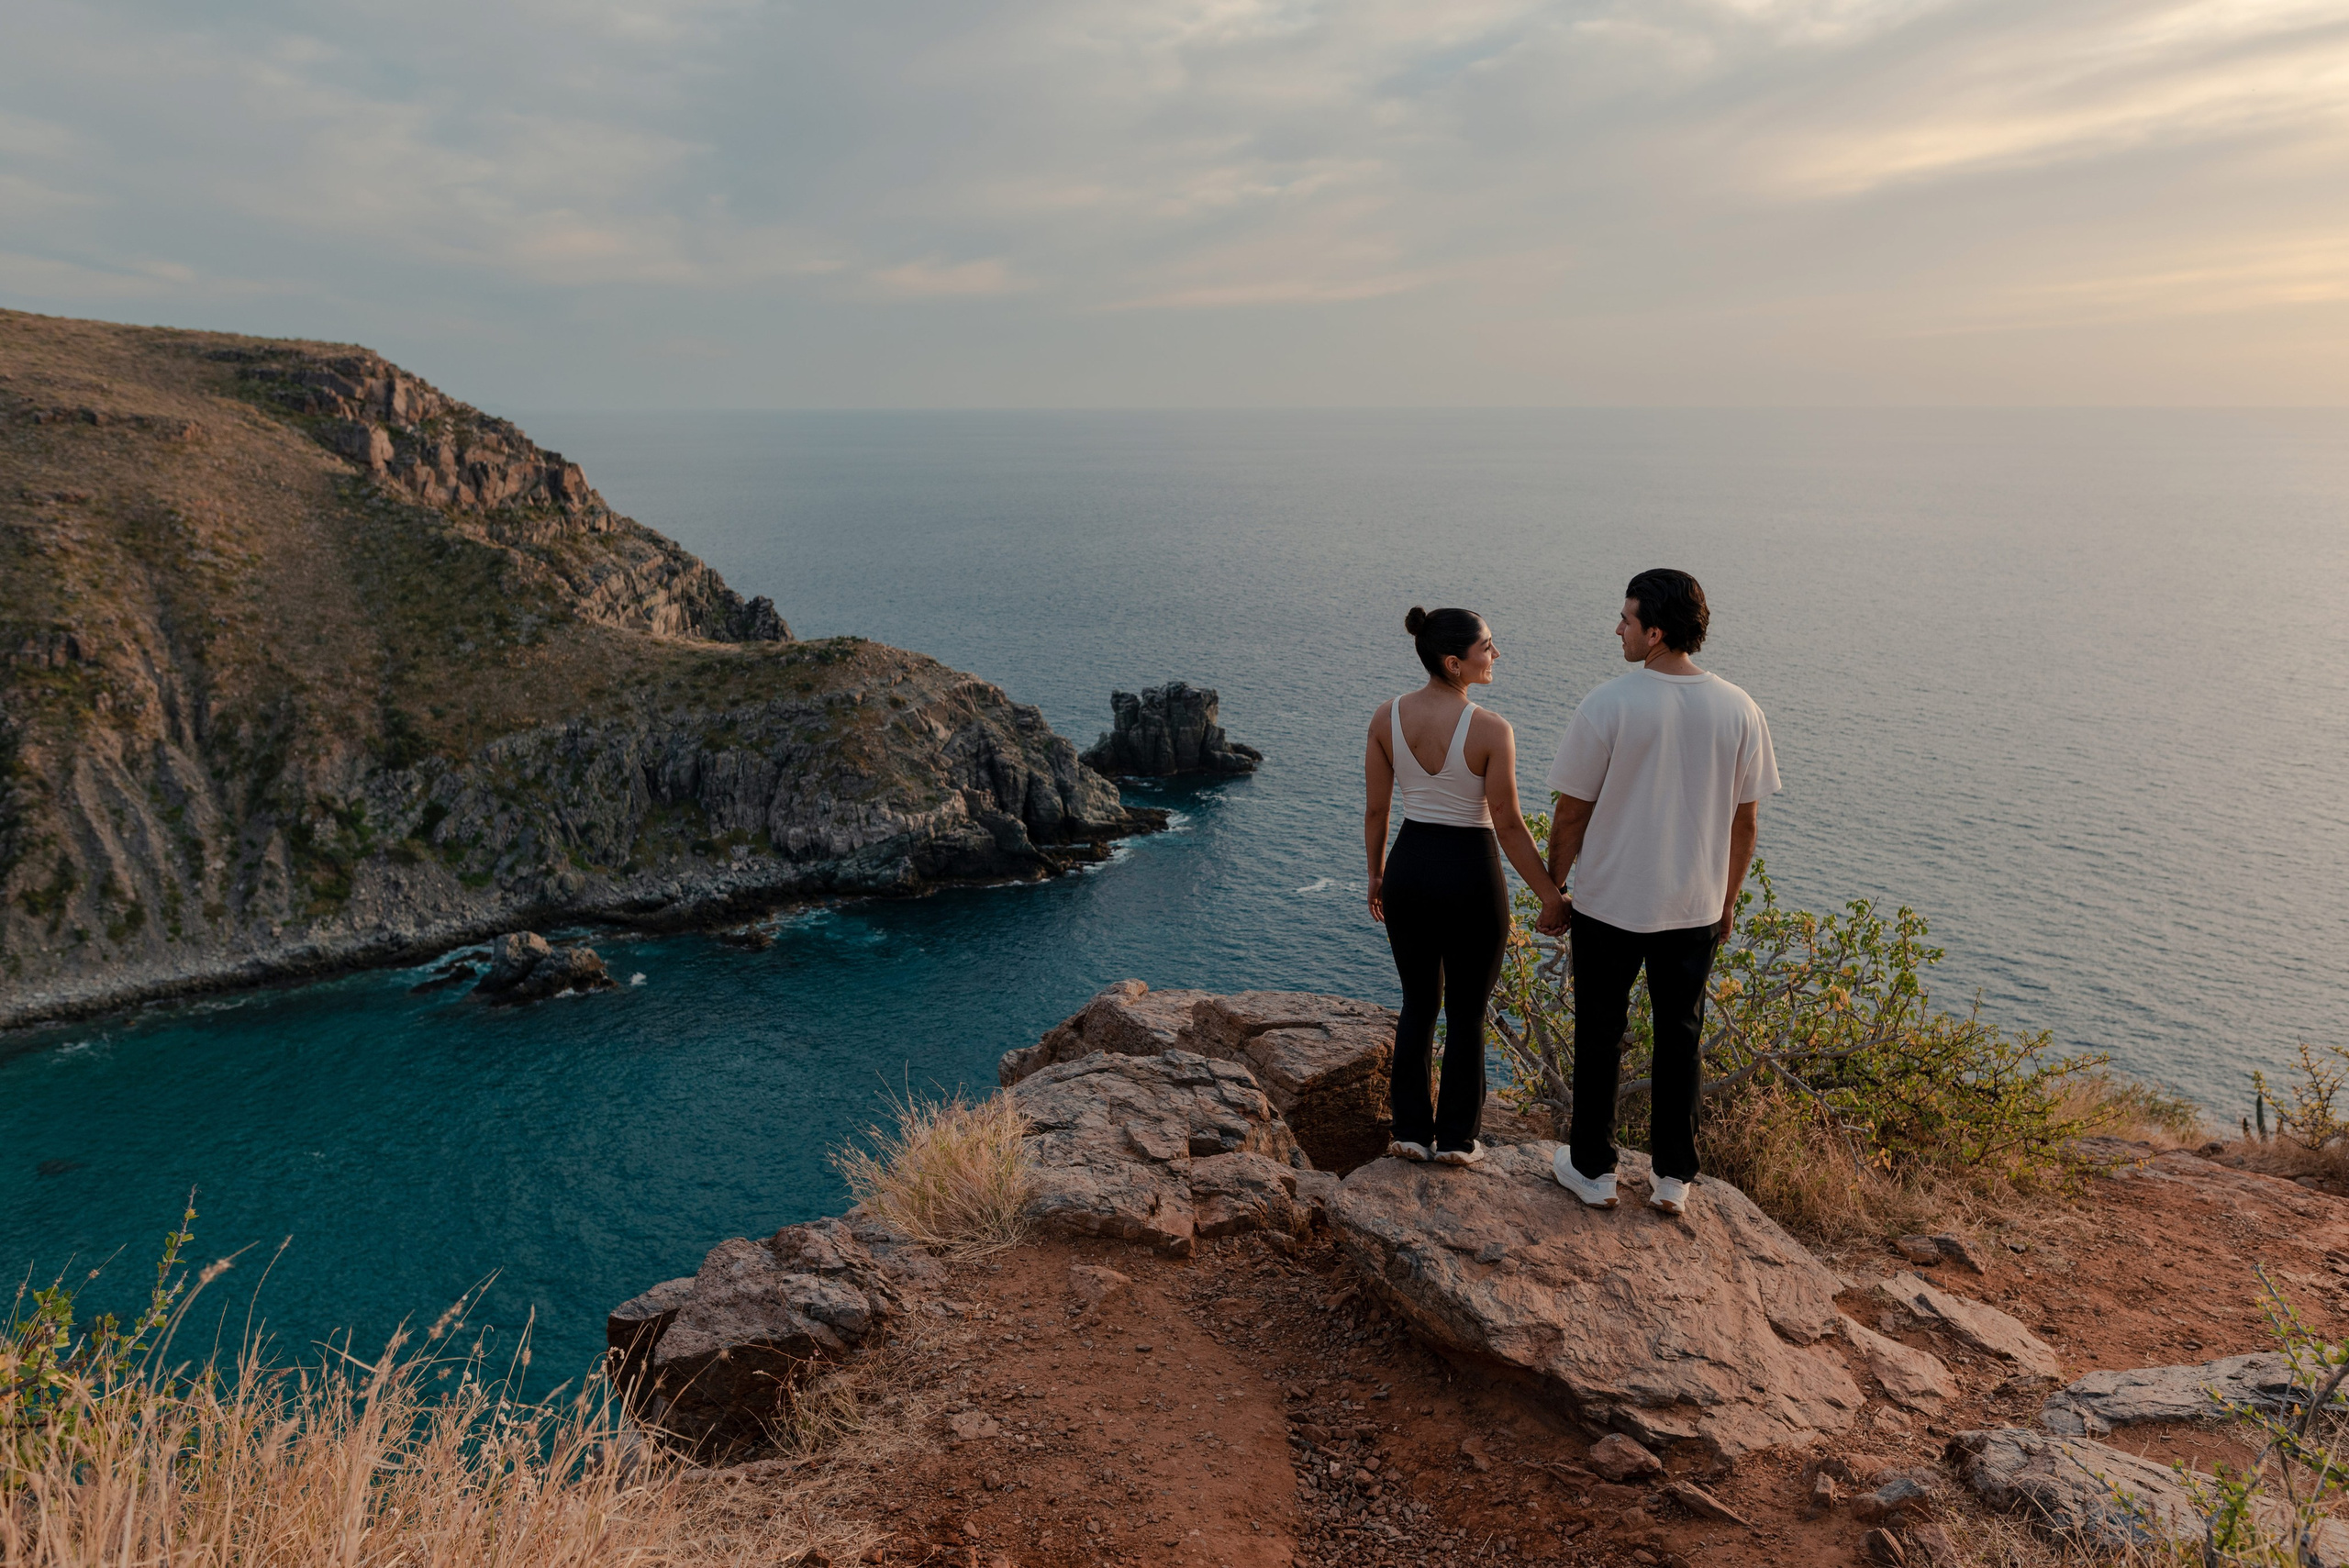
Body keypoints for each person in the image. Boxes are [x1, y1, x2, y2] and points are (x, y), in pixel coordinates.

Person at [1537, 569, 1778, 1218]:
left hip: (1610, 903)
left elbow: (1569, 813)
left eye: (1626, 618)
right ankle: (1674, 1176)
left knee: (1599, 1033)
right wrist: (1727, 901)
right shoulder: (1740, 707)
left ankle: (1593, 1169)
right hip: (1694, 907)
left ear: (1656, 630)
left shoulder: (1608, 703)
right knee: (1680, 1037)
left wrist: (1554, 887)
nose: (1617, 627)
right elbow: (1745, 820)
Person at [1365, 606, 1568, 1166]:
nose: (1495, 654)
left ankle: (1409, 1132)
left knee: (1417, 1005)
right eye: (1487, 646)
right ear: (1454, 662)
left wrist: (1377, 874)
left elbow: (1377, 809)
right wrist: (1551, 894)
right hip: (1471, 874)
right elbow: (1507, 824)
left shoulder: (1386, 717)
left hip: (1409, 868)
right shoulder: (1490, 729)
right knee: (1467, 1012)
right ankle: (1456, 1140)